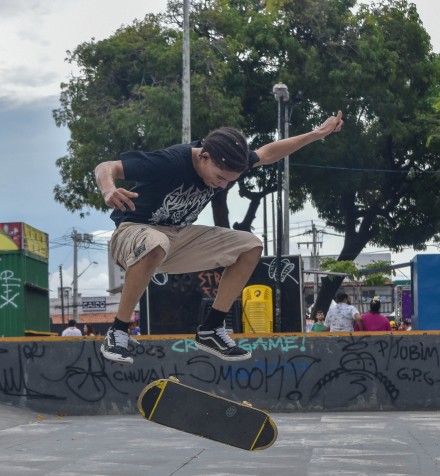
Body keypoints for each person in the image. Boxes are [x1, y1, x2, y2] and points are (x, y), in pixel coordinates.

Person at [95, 111, 345, 364]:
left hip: (177, 238)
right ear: (204, 157)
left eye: (229, 181)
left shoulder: (230, 161)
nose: (222, 186)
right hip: (132, 233)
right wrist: (108, 190)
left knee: (250, 246)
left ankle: (212, 329)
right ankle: (118, 331)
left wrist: (317, 134)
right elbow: (106, 167)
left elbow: (268, 153)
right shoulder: (170, 161)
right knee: (155, 243)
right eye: (219, 177)